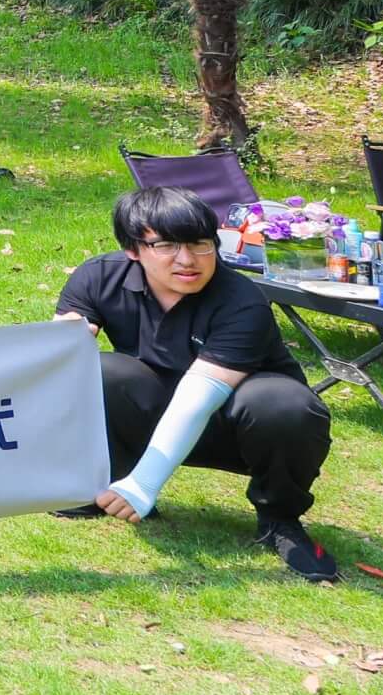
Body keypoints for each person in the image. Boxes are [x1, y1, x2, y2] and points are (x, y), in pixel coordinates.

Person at [54, 187, 339, 581]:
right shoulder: (100, 276)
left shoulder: (241, 300)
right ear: (133, 249)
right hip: (157, 411)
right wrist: (67, 341)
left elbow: (199, 396)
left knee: (282, 403)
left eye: (200, 244)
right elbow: (57, 355)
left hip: (239, 430)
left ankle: (280, 519)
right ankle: (110, 487)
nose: (187, 260)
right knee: (102, 371)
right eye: (166, 245)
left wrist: (146, 482)